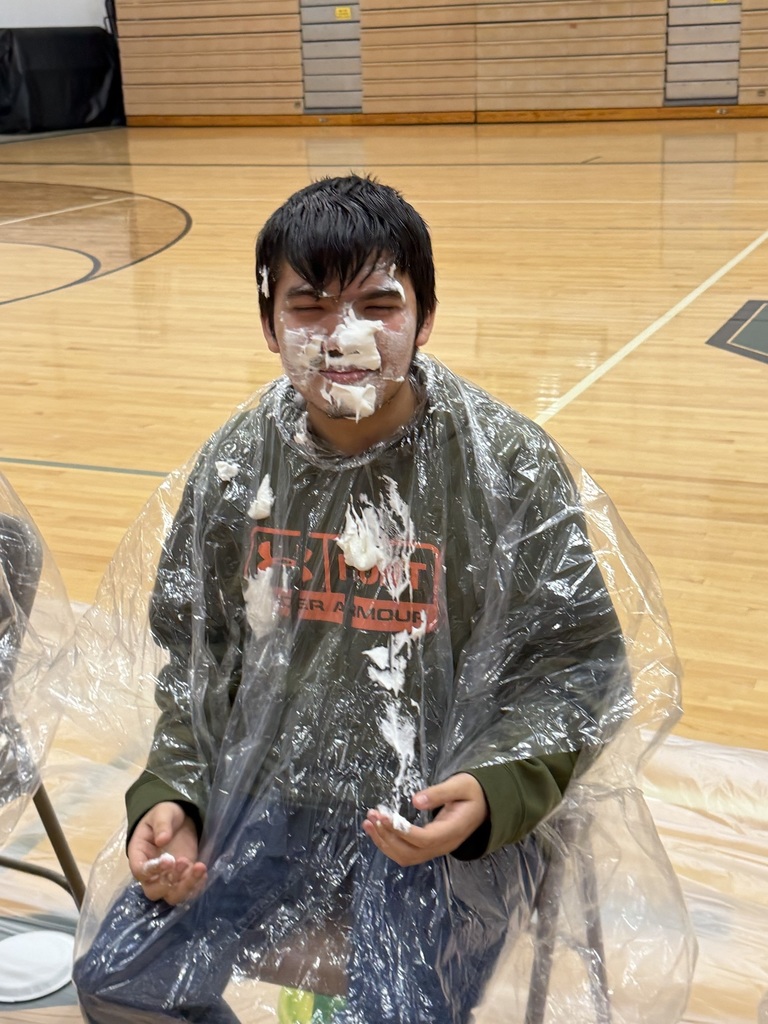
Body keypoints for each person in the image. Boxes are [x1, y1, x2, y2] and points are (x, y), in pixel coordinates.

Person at [73, 174, 638, 1024]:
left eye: (379, 304)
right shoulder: (235, 469)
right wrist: (172, 795)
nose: (346, 337)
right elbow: (198, 661)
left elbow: (577, 665)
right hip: (275, 795)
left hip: (436, 814)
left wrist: (492, 789)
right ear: (269, 325)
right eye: (310, 309)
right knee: (117, 986)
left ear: (426, 316)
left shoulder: (506, 467)